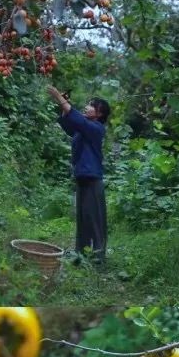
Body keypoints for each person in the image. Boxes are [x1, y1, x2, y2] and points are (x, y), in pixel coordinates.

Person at [46, 85, 111, 264]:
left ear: (99, 114)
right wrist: (64, 106)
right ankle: (81, 254)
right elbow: (70, 125)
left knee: (94, 219)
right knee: (83, 218)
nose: (87, 107)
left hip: (92, 178)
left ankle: (97, 258)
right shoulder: (84, 129)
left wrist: (60, 97)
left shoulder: (96, 128)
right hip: (83, 177)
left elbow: (79, 122)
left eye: (92, 105)